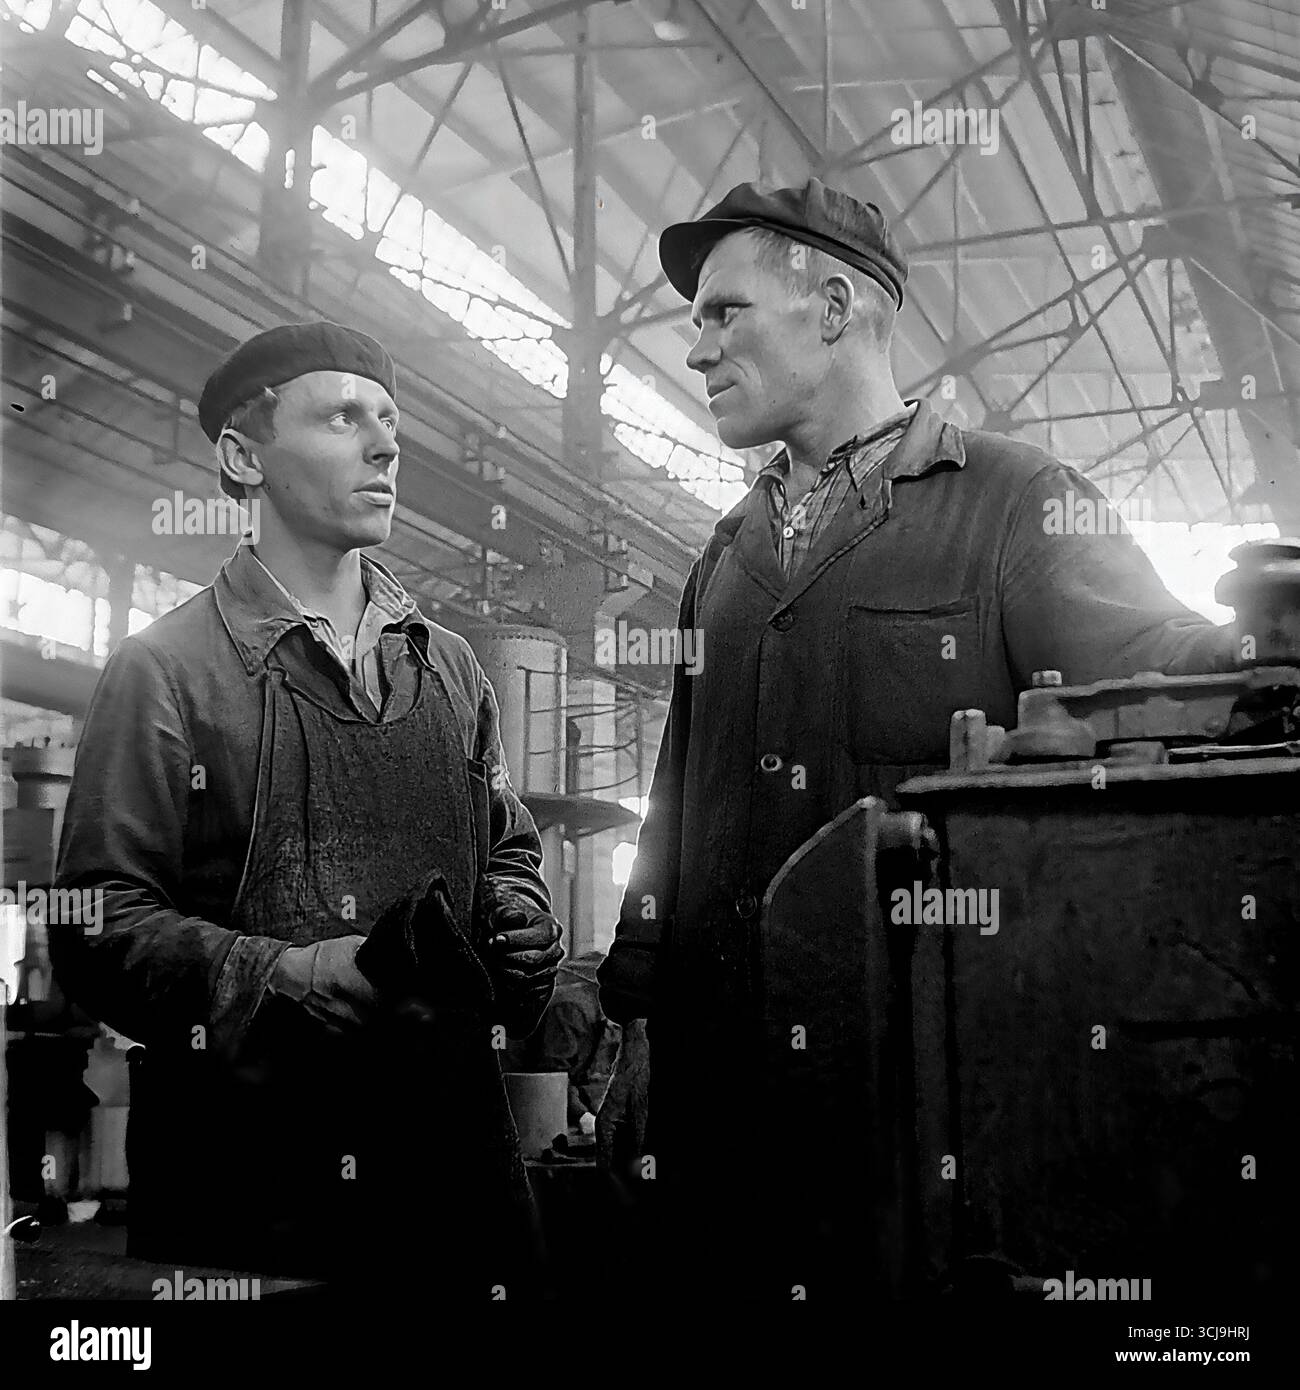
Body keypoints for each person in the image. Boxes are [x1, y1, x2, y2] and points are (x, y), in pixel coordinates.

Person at [596, 180, 1238, 1300]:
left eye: (722, 311)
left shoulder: (1013, 503)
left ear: (833, 305)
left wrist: (1258, 654)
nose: (694, 347)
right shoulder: (725, 554)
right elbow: (677, 801)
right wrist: (640, 1023)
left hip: (928, 1103)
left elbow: (1165, 679)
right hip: (728, 1112)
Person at [51, 320, 564, 1297]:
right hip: (252, 1195)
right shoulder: (165, 672)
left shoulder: (447, 667)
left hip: (454, 1176)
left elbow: (505, 851)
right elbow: (94, 923)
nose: (384, 446)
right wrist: (279, 976)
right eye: (341, 417)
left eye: (390, 424)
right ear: (244, 457)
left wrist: (521, 918)